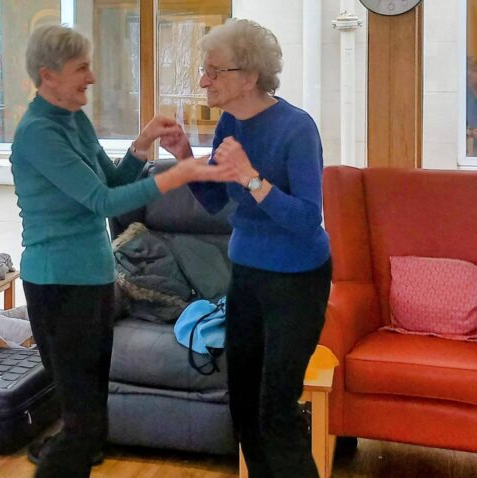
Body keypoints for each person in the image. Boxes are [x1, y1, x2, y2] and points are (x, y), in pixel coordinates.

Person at [11, 25, 227, 478]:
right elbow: (102, 202)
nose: (91, 78)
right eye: (81, 69)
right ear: (48, 75)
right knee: (80, 422)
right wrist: (178, 174)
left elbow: (111, 182)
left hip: (94, 279)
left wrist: (143, 144)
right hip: (56, 282)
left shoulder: (74, 119)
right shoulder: (37, 133)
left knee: (92, 420)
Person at [159, 18, 331, 478]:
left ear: (249, 77)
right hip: (247, 276)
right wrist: (183, 156)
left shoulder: (296, 129)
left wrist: (253, 178)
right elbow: (216, 200)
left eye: (214, 71)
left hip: (298, 280)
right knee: (244, 412)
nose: (203, 80)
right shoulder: (231, 124)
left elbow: (306, 218)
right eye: (204, 69)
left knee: (276, 411)